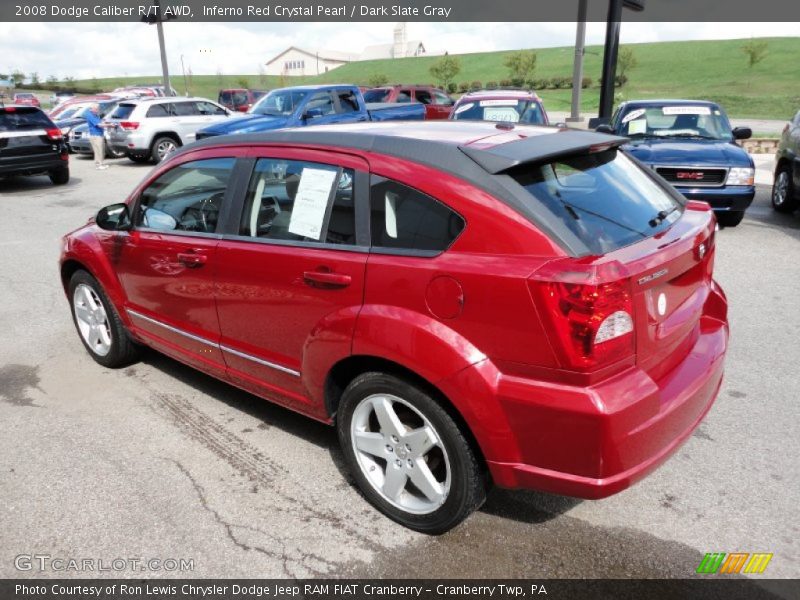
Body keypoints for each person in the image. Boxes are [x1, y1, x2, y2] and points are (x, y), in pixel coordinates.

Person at [83, 104, 108, 170]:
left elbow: (100, 122)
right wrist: (109, 125)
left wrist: (105, 122)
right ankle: (98, 165)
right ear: (92, 108)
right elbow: (99, 125)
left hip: (100, 134)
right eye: (96, 109)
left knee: (101, 150)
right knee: (98, 150)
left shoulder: (95, 115)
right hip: (95, 135)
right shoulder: (90, 115)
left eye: (98, 108)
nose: (98, 110)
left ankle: (101, 163)